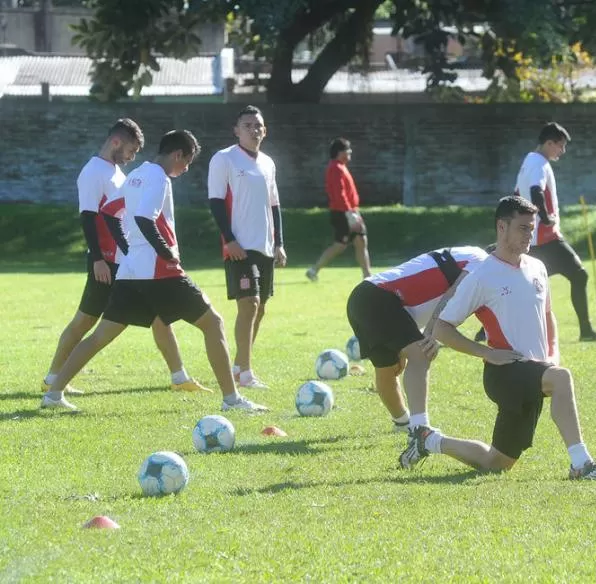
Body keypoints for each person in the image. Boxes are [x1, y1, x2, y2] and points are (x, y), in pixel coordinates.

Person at [40, 130, 267, 413]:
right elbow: (143, 217)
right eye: (187, 163)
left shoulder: (137, 174)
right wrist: (165, 251)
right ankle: (232, 400)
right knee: (214, 323)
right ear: (177, 155)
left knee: (100, 336)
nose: (185, 170)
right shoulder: (159, 178)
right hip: (161, 273)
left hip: (130, 271)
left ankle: (53, 394)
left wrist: (127, 247)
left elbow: (110, 211)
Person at [399, 196, 596, 480]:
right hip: (505, 372)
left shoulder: (537, 267)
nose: (530, 234)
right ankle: (582, 464)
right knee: (562, 378)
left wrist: (551, 357)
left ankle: (430, 441)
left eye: (532, 228)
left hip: (535, 370)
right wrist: (486, 353)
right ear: (501, 227)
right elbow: (443, 328)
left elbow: (549, 315)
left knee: (497, 462)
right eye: (522, 228)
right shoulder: (482, 274)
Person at [41, 118, 210, 398]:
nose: (133, 157)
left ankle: (179, 376)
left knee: (160, 318)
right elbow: (89, 217)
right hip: (106, 263)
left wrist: (129, 250)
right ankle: (53, 378)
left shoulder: (119, 174)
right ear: (116, 142)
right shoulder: (93, 172)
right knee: (85, 321)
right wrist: (97, 259)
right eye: (131, 150)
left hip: (129, 264)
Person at [346, 246, 488, 432]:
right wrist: (430, 332)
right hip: (380, 297)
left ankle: (402, 423)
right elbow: (452, 293)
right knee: (422, 354)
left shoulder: (469, 255)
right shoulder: (483, 261)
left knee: (388, 369)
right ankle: (421, 428)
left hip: (363, 296)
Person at [208, 105, 287, 390]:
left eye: (258, 125)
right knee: (249, 304)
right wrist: (229, 239)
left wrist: (279, 243)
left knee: (260, 307)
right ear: (236, 130)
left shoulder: (268, 163)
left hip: (265, 246)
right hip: (239, 246)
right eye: (248, 125)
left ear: (264, 130)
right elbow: (216, 201)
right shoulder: (224, 159)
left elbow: (274, 205)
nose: (254, 130)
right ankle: (246, 373)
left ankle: (239, 366)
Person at [510, 122, 596, 343]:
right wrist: (545, 218)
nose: (562, 152)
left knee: (522, 282)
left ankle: (484, 330)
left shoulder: (529, 161)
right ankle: (586, 331)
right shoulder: (539, 163)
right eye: (560, 146)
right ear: (549, 143)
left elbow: (517, 193)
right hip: (546, 238)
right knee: (579, 275)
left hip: (536, 237)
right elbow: (536, 191)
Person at [306, 137, 372, 281]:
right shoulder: (335, 168)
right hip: (343, 212)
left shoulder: (340, 167)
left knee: (360, 241)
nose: (350, 153)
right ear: (339, 152)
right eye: (347, 150)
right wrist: (350, 214)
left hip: (349, 211)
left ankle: (367, 275)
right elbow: (339, 193)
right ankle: (313, 270)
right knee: (340, 245)